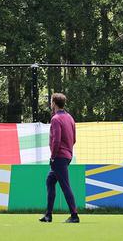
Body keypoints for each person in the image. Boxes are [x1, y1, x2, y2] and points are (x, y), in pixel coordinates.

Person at [40, 93, 79, 224]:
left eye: (51, 102)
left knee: (65, 185)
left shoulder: (56, 119)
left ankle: (74, 215)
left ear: (54, 103)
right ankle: (48, 215)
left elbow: (56, 140)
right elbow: (74, 139)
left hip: (59, 157)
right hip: (67, 155)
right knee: (50, 181)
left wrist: (53, 156)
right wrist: (67, 150)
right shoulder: (70, 118)